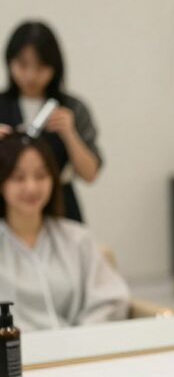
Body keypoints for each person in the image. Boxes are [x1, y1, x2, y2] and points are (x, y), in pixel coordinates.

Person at [0, 134, 128, 330]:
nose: (31, 187)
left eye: (41, 176)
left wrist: (79, 341)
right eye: (18, 178)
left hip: (78, 352)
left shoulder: (76, 238)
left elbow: (111, 299)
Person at [0, 21, 102, 222]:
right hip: (7, 213)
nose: (31, 75)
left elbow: (90, 174)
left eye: (41, 67)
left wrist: (70, 134)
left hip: (60, 209)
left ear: (55, 67)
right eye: (22, 65)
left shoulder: (72, 108)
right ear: (9, 62)